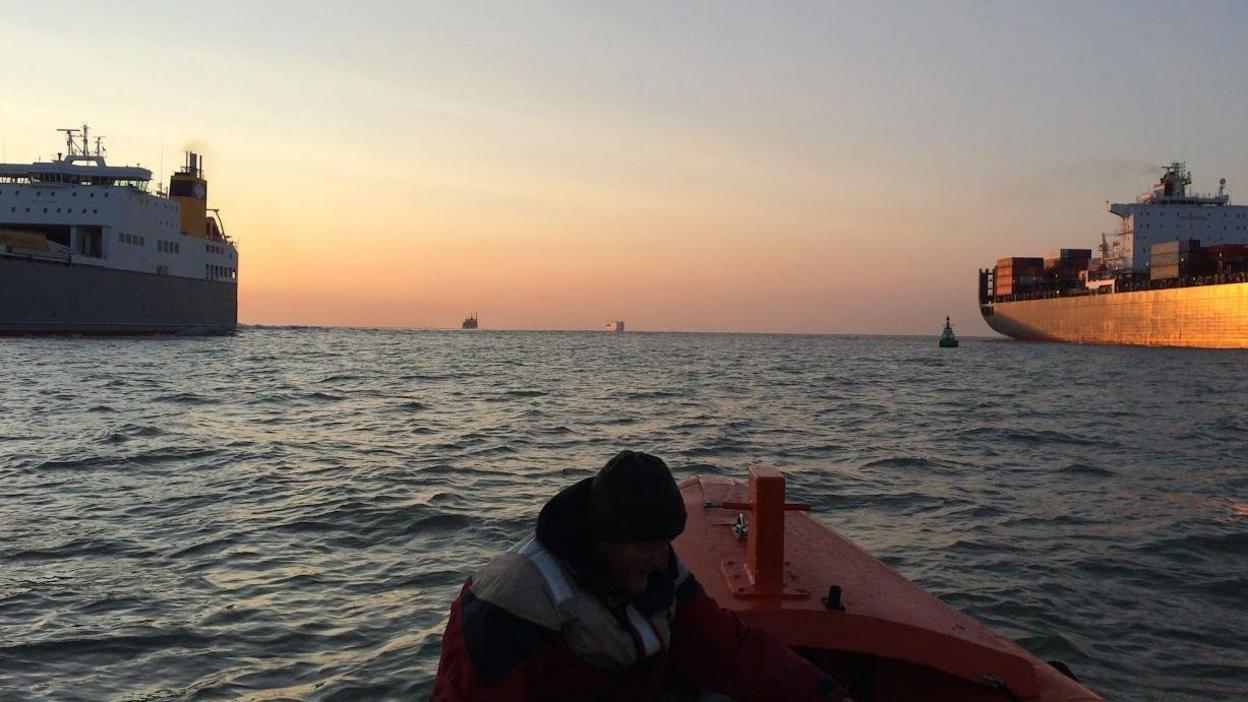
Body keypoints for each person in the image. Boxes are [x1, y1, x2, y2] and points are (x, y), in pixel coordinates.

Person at [431, 450, 852, 701]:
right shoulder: (509, 604)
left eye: (665, 542)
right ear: (604, 538)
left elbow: (729, 649)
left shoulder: (657, 569)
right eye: (647, 546)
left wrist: (828, 695)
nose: (660, 560)